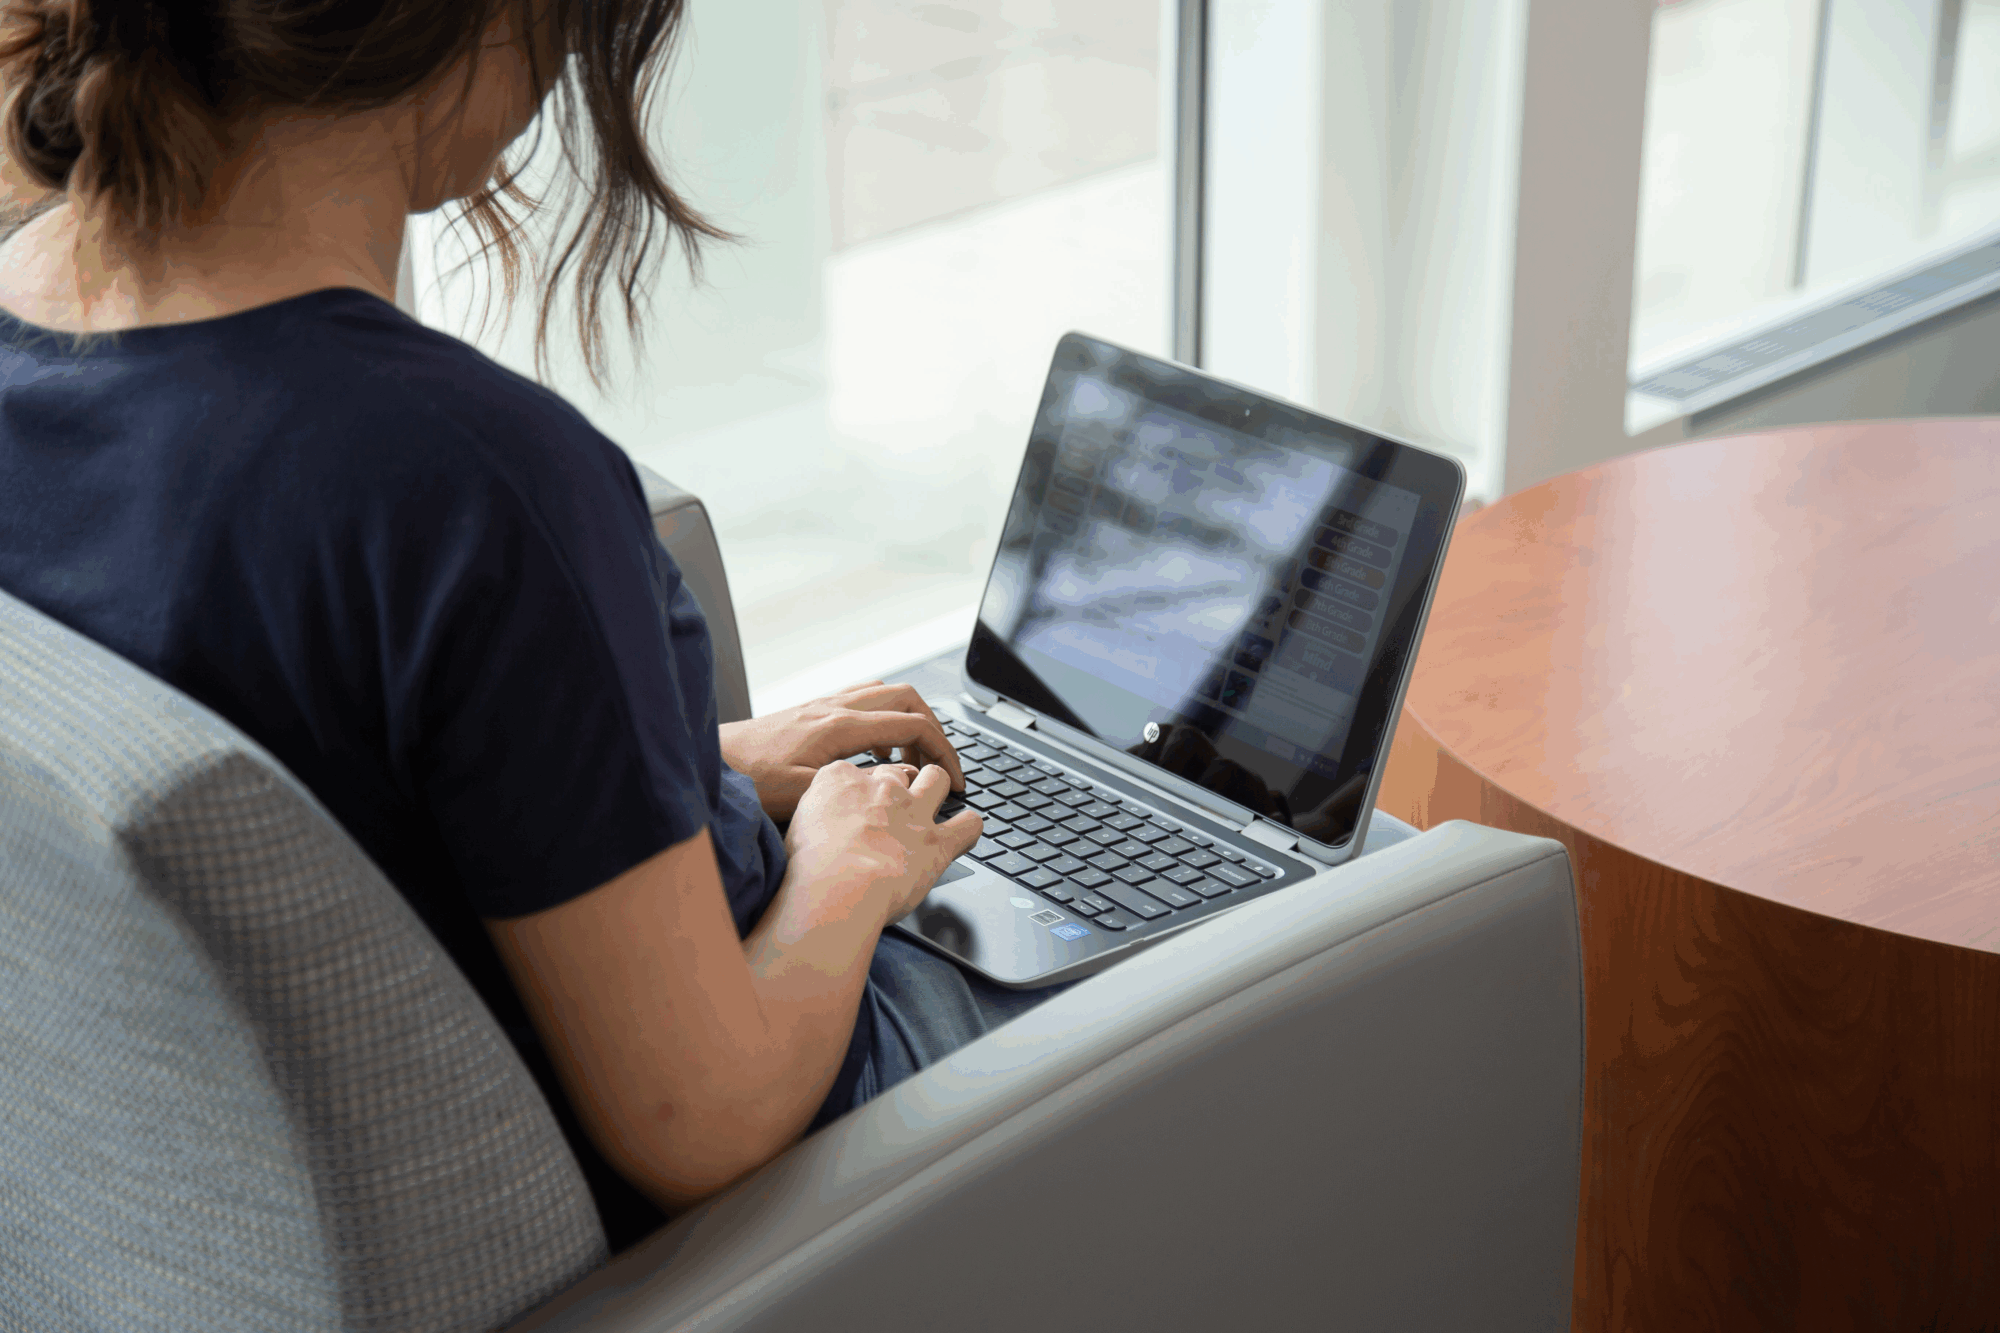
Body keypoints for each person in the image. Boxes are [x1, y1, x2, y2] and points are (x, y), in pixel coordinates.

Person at [0, 0, 1061, 1252]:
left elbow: (323, 803)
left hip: (231, 1211)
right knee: (1289, 941)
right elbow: (699, 1124)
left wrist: (677, 773)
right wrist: (852, 866)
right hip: (756, 1196)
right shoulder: (467, 488)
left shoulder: (31, 326)